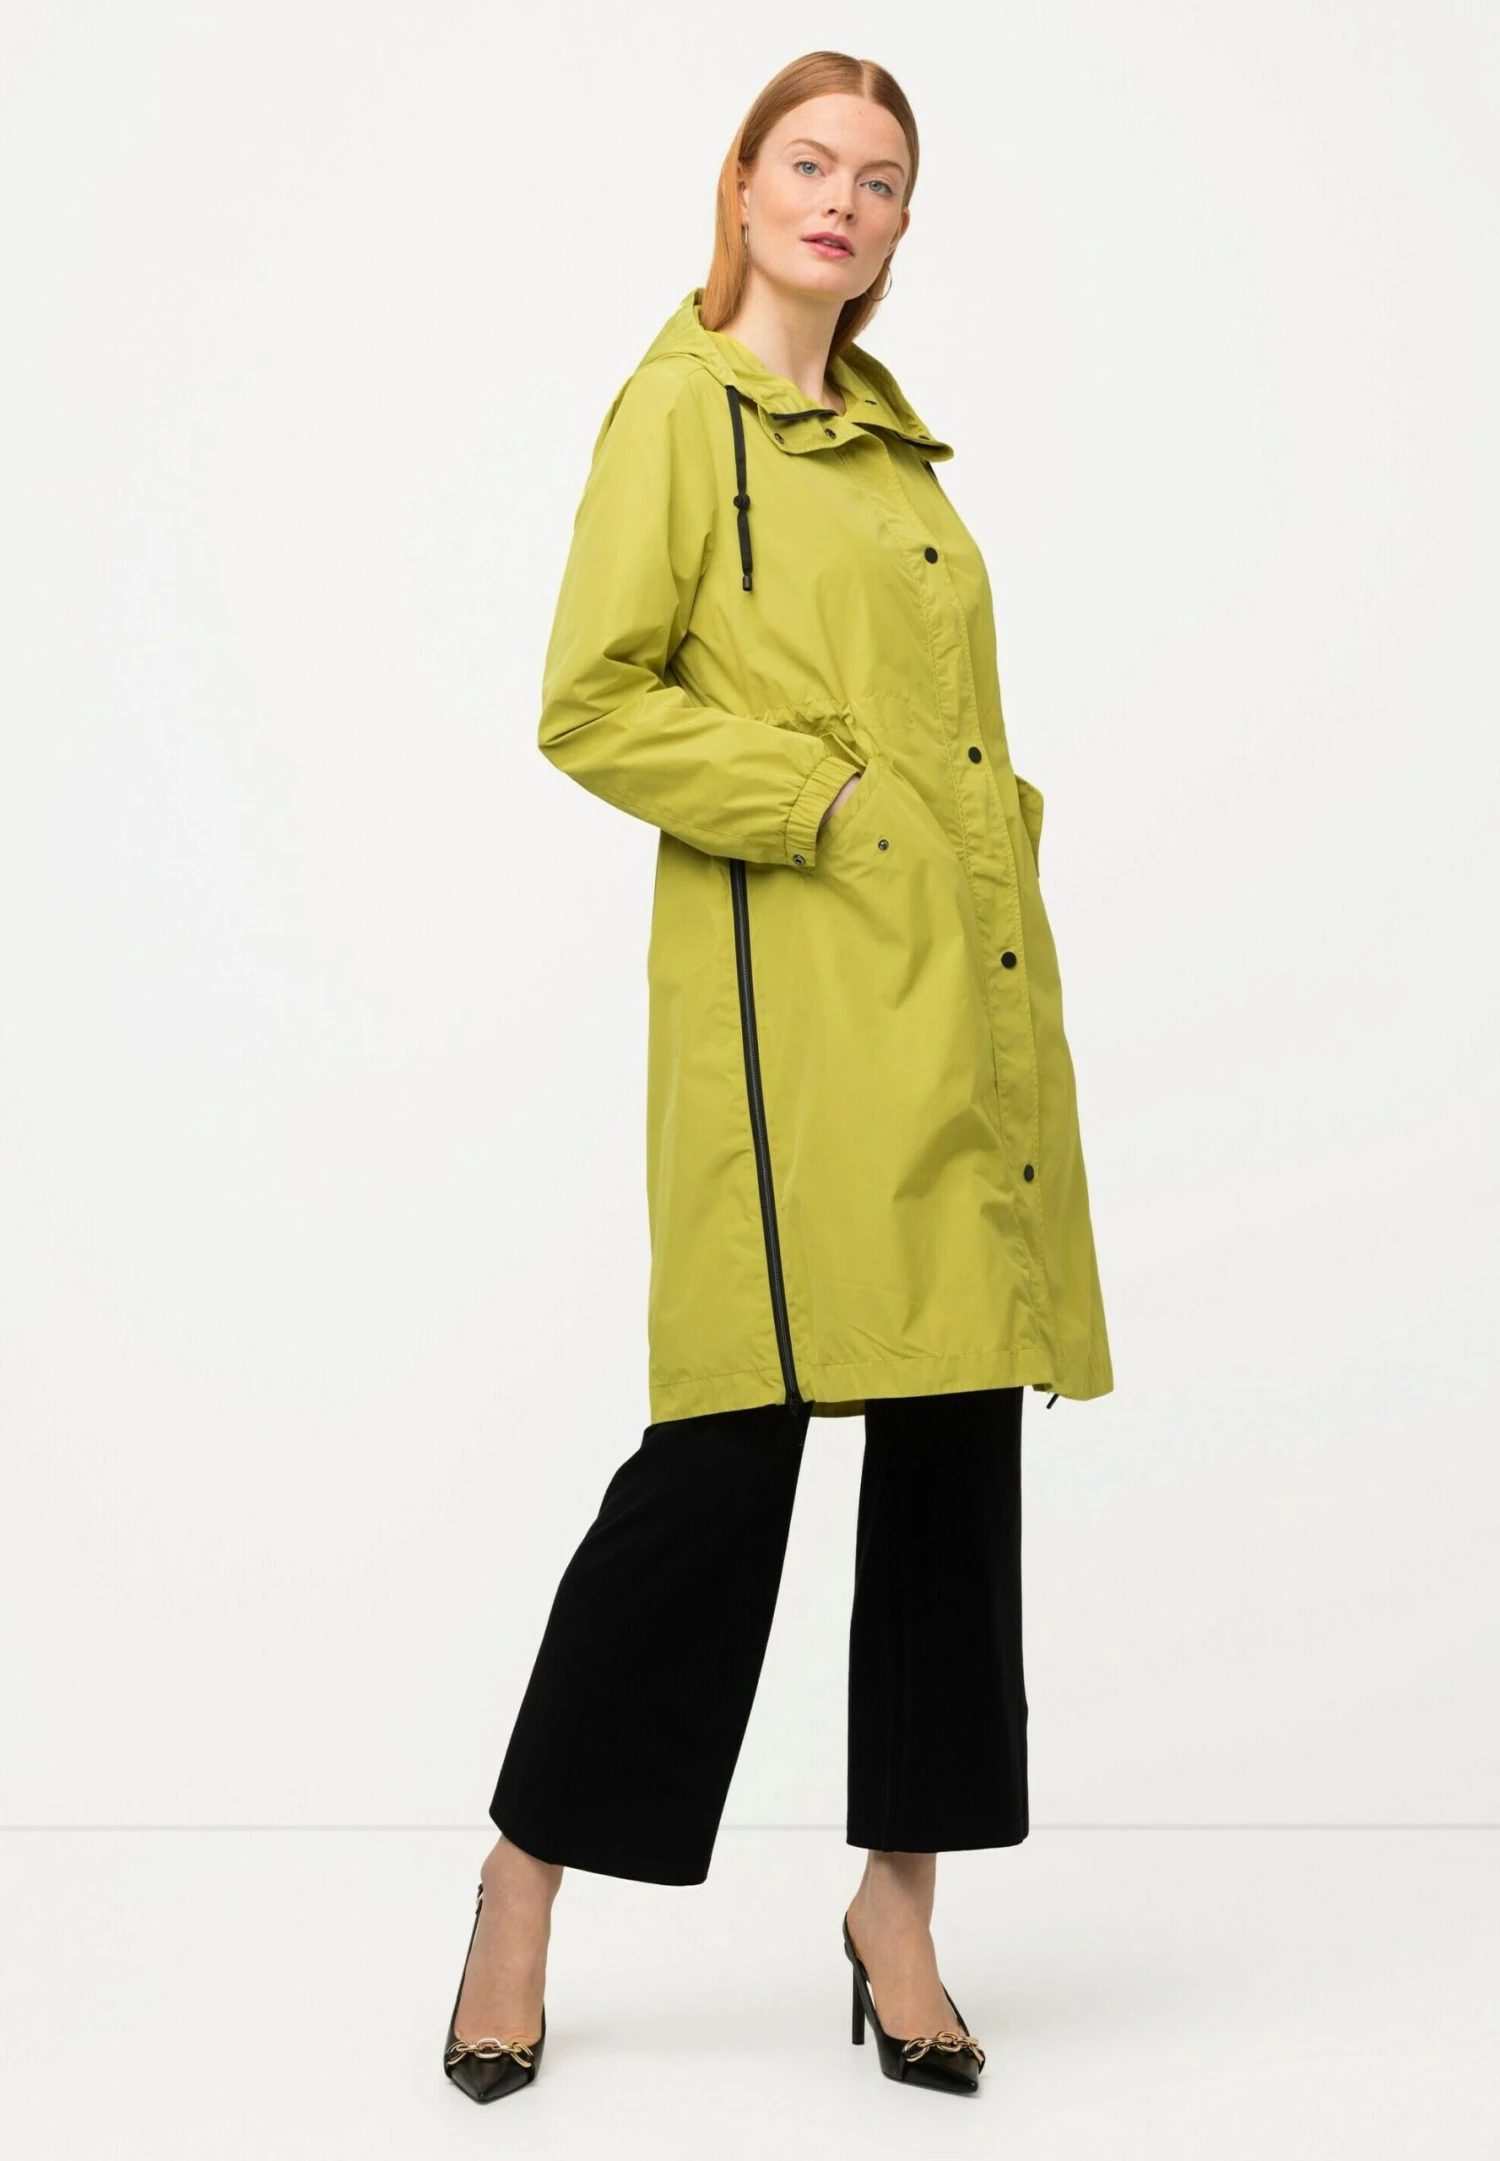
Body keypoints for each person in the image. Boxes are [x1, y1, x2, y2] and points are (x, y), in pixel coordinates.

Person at [441, 49, 1113, 2105]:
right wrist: (820, 802)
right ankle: (521, 1885)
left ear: (901, 225)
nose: (842, 199)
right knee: (721, 1468)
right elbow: (592, 701)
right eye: (810, 162)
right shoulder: (679, 412)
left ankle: (899, 1911)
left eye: (881, 178)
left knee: (952, 1454)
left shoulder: (895, 451)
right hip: (787, 1013)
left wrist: (959, 856)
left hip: (954, 997)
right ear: (739, 186)